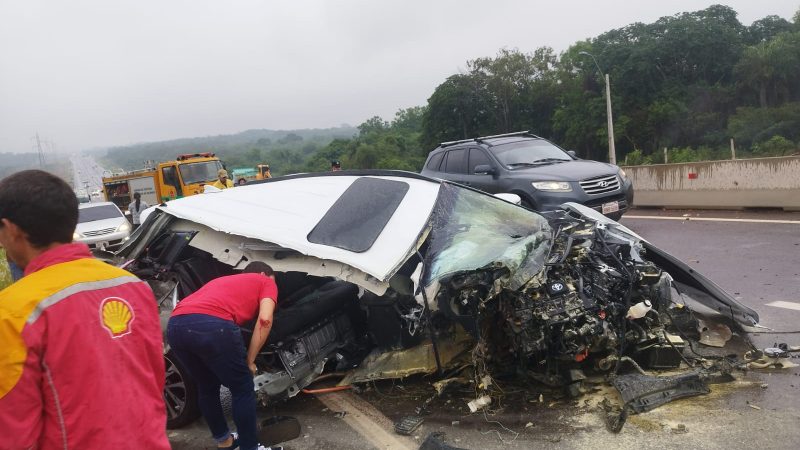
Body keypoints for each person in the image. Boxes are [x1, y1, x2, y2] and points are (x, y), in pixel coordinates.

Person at [0, 170, 169, 449]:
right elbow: (153, 378)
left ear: (12, 229)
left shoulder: (13, 311)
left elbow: (13, 431)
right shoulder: (132, 285)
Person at [167, 262, 282, 450]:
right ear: (263, 273)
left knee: (206, 386)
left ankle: (225, 442)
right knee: (242, 387)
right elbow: (265, 319)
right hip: (213, 326)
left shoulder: (222, 281)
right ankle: (249, 447)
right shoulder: (264, 281)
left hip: (176, 326)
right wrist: (250, 360)